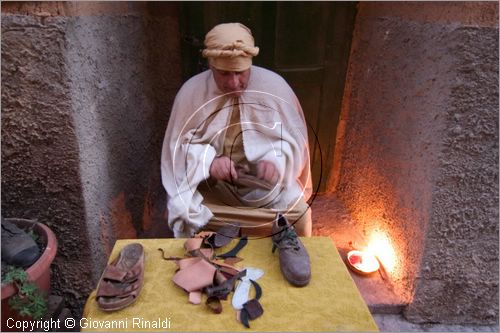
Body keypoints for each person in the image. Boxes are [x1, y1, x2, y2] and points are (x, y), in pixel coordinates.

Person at [161, 23, 312, 238]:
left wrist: (276, 161)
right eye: (224, 74)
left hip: (263, 185)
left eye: (240, 73)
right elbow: (175, 151)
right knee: (184, 212)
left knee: (299, 214)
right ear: (211, 67)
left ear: (250, 65)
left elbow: (295, 142)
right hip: (212, 186)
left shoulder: (275, 87)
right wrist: (209, 162)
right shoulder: (191, 93)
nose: (233, 83)